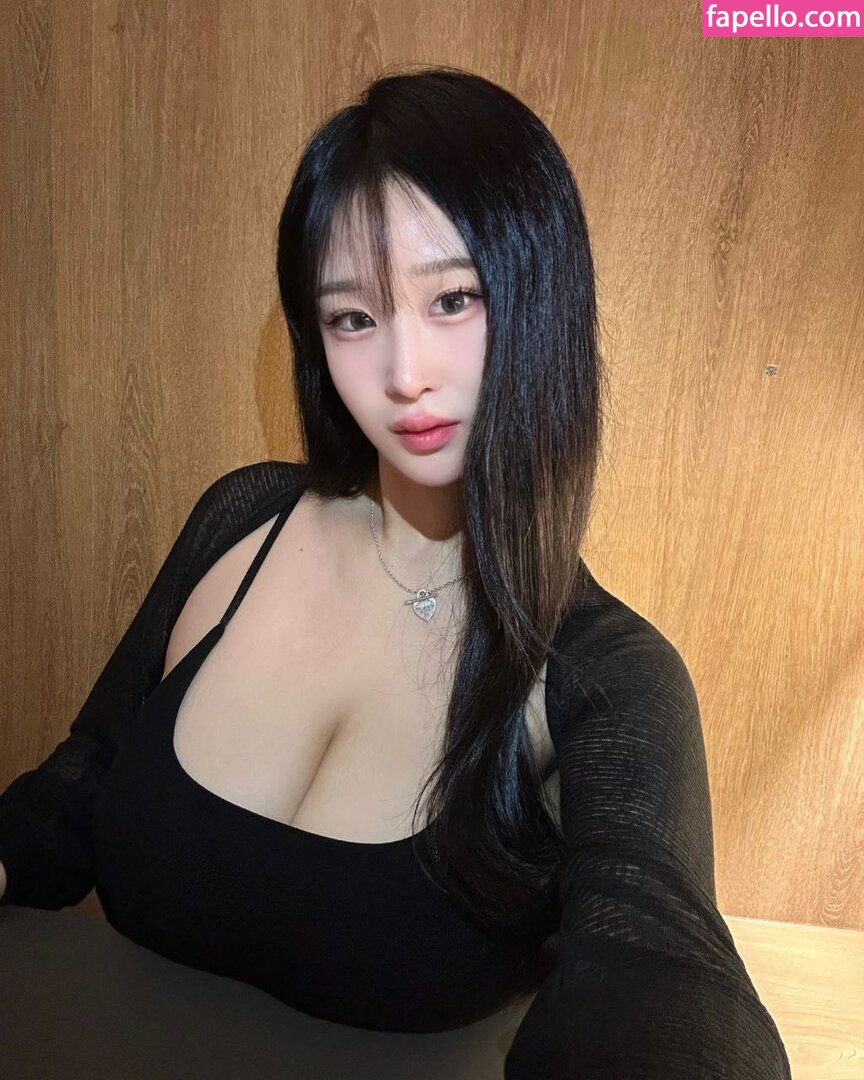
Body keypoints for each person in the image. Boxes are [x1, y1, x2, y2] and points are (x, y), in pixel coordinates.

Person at [0, 65, 791, 1077]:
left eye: (453, 299)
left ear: (541, 301)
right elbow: (86, 776)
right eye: (354, 318)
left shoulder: (610, 677)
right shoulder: (241, 519)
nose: (405, 373)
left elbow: (661, 969)